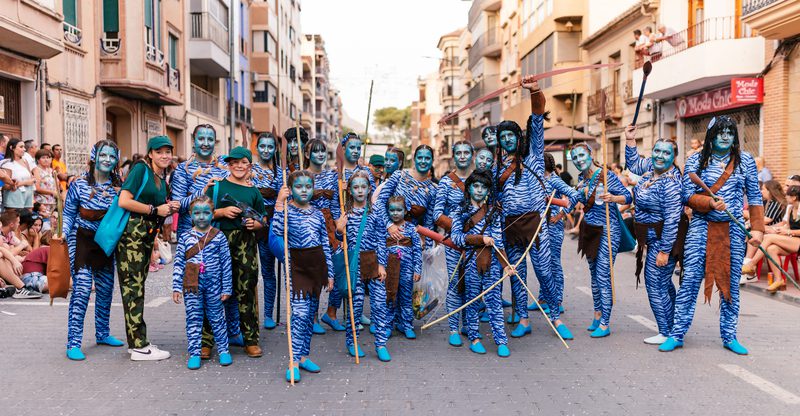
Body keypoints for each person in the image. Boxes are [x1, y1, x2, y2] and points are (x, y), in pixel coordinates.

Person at [660, 115, 764, 355]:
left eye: (730, 132)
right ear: (712, 136)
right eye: (720, 132)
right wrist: (708, 202)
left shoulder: (745, 160)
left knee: (731, 286)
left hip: (732, 231)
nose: (726, 136)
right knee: (689, 283)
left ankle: (730, 336)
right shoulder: (696, 159)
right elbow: (687, 195)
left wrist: (757, 228)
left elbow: (755, 197)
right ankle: (677, 334)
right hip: (701, 228)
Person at [493, 77, 571, 340]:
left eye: (511, 135)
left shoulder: (534, 156)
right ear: (499, 141)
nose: (507, 140)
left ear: (518, 137)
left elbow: (537, 119)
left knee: (545, 271)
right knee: (517, 274)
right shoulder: (497, 168)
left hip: (537, 224)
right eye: (502, 137)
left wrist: (535, 91)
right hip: (510, 226)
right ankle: (523, 319)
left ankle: (555, 316)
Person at [116, 136, 180, 361]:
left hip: (144, 238)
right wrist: (155, 210)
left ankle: (137, 342)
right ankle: (139, 346)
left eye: (168, 151)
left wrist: (166, 208)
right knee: (132, 290)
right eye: (159, 151)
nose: (164, 155)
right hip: (131, 238)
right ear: (150, 153)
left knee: (137, 289)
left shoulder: (160, 176)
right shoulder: (140, 170)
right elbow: (124, 200)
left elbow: (157, 209)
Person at [62, 140, 127, 360]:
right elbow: (69, 212)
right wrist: (63, 232)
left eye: (111, 156)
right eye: (103, 155)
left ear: (116, 160)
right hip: (80, 239)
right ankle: (73, 342)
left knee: (106, 289)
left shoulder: (119, 187)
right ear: (94, 157)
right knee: (81, 289)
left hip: (105, 242)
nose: (107, 160)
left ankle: (103, 333)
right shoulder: (79, 184)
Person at [204, 146, 266, 359]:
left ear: (249, 166)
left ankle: (250, 339)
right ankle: (206, 341)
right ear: (228, 165)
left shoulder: (254, 192)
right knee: (213, 292)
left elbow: (263, 220)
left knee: (246, 291)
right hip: (218, 244)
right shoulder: (217, 187)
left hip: (246, 245)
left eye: (243, 163)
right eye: (234, 163)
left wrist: (254, 224)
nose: (239, 166)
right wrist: (220, 212)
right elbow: (200, 213)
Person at [273, 170, 334, 382]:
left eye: (308, 186)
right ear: (291, 189)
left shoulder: (317, 214)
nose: (304, 190)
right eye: (299, 186)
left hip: (316, 267)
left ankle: (304, 355)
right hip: (296, 266)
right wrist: (279, 204)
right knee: (298, 314)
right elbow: (277, 231)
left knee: (309, 315)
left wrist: (330, 273)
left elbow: (325, 244)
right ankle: (292, 360)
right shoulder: (287, 212)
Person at [624, 125, 683, 345]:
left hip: (663, 240)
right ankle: (673, 326)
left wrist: (664, 251)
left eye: (666, 153)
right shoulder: (651, 170)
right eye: (657, 151)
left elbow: (672, 220)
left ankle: (666, 331)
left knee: (654, 283)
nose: (660, 156)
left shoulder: (671, 183)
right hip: (651, 239)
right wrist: (631, 140)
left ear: (673, 157)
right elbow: (633, 164)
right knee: (664, 284)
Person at [375, 145, 437, 339]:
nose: (423, 161)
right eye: (420, 157)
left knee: (407, 288)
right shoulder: (399, 176)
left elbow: (428, 221)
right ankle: (387, 323)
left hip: (411, 242)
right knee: (389, 286)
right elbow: (379, 202)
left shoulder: (432, 189)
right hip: (390, 237)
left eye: (428, 157)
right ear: (414, 158)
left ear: (432, 161)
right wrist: (388, 226)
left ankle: (406, 323)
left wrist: (425, 243)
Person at [451, 169, 514, 357]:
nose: (479, 190)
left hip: (492, 262)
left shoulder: (493, 212)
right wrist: (480, 239)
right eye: (475, 186)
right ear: (469, 188)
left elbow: (498, 241)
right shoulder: (460, 211)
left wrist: (506, 265)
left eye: (483, 187)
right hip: (470, 262)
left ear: (488, 191)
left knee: (494, 301)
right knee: (472, 301)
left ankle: (501, 340)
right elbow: (456, 238)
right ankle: (474, 337)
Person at [572, 141, 633, 338]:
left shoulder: (605, 175)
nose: (579, 160)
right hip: (590, 230)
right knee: (593, 274)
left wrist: (612, 198)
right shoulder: (582, 178)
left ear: (590, 154)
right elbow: (574, 200)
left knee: (603, 275)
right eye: (575, 158)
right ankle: (597, 315)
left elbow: (627, 197)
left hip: (608, 230)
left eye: (582, 155)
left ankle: (605, 323)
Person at [172, 195, 233, 370]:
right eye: (197, 213)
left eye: (206, 213)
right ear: (190, 215)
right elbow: (178, 263)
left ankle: (223, 350)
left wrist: (226, 287)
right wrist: (176, 286)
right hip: (191, 284)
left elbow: (226, 263)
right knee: (193, 318)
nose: (201, 217)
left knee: (217, 318)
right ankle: (194, 352)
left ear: (213, 214)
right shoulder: (185, 237)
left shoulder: (219, 237)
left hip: (214, 284)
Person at [334, 171, 387, 359]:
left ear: (369, 189)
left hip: (372, 260)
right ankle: (352, 341)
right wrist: (339, 230)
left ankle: (381, 344)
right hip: (354, 262)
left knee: (379, 304)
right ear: (349, 190)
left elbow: (382, 238)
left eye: (363, 187)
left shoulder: (376, 211)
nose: (360, 191)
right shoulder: (345, 212)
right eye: (355, 187)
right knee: (355, 304)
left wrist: (382, 264)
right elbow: (340, 238)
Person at [432, 140, 474, 346]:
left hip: (477, 242)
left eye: (467, 152)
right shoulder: (446, 182)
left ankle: (469, 324)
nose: (463, 156)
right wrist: (458, 229)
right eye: (459, 152)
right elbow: (437, 214)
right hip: (454, 243)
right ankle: (453, 328)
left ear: (472, 155)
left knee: (473, 283)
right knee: (456, 284)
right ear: (454, 156)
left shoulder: (480, 179)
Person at [304, 139, 344, 334]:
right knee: (316, 275)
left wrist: (339, 225)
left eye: (322, 151)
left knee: (337, 271)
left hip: (329, 225)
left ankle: (331, 313)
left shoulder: (332, 176)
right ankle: (312, 318)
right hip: (309, 225)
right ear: (307, 155)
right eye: (315, 151)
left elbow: (336, 204)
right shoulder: (301, 176)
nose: (320, 154)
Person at [536, 153, 580, 316]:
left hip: (553, 226)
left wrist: (561, 215)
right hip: (541, 226)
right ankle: (543, 298)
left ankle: (558, 300)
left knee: (553, 263)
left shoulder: (554, 179)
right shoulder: (539, 179)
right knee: (542, 264)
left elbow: (574, 196)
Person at [251, 132, 283, 330]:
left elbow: (282, 200)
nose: (266, 150)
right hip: (246, 221)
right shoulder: (248, 168)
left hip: (268, 224)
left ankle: (268, 314)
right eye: (262, 146)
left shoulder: (279, 173)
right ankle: (247, 314)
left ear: (275, 149)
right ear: (257, 147)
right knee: (247, 273)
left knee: (268, 272)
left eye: (270, 146)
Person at [742, 186, 799, 291]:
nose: (785, 196)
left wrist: (787, 232)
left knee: (768, 238)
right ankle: (779, 280)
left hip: (797, 240)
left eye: (787, 194)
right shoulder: (790, 208)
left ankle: (751, 264)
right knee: (771, 249)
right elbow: (786, 226)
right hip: (792, 239)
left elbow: (789, 230)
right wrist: (777, 229)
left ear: (794, 197)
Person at [383, 195, 422, 340]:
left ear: (405, 211)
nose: (395, 213)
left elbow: (417, 250)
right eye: (392, 210)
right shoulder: (386, 229)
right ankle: (387, 325)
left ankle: (407, 325)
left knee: (405, 297)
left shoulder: (411, 229)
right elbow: (380, 247)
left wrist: (417, 269)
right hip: (390, 269)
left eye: (399, 210)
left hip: (407, 268)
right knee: (390, 295)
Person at [0, 210, 42, 298]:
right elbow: (3, 251)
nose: (19, 224)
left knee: (8, 250)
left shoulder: (10, 234)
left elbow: (30, 251)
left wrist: (36, 237)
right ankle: (21, 287)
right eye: (18, 222)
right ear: (11, 224)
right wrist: (15, 258)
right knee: (6, 249)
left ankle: (18, 286)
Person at [1, 138, 35, 210]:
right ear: (11, 148)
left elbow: (31, 178)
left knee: (28, 219)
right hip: (14, 200)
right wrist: (25, 182)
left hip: (28, 198)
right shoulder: (6, 163)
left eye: (24, 147)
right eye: (21, 147)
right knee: (15, 220)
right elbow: (5, 186)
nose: (24, 149)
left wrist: (32, 181)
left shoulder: (25, 161)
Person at [33, 149, 58, 214]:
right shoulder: (37, 170)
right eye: (43, 158)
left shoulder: (51, 170)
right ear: (38, 160)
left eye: (48, 157)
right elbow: (37, 188)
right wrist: (52, 192)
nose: (46, 160)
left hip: (52, 202)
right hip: (42, 202)